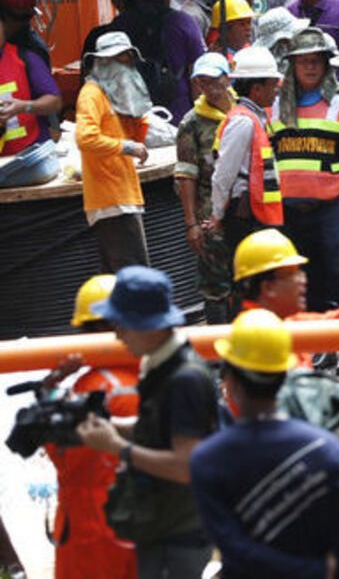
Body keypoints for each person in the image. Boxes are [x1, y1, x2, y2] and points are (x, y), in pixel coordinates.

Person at [190, 309, 339, 577]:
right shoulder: (326, 450)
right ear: (284, 375)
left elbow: (234, 550)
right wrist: (317, 571)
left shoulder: (207, 460)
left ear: (229, 382)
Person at [76, 266, 220, 579]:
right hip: (164, 525)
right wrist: (110, 426)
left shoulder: (184, 379)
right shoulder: (162, 366)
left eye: (122, 325)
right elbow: (159, 429)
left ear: (150, 327)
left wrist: (117, 446)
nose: (117, 335)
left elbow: (185, 466)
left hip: (181, 534)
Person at [42, 275, 139, 579]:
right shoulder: (158, 377)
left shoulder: (92, 388)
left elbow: (64, 456)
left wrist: (50, 391)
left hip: (91, 527)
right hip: (147, 521)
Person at [270, 27, 339, 314]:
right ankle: (316, 338)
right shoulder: (275, 105)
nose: (310, 67)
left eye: (316, 60)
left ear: (327, 64)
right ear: (293, 64)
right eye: (303, 61)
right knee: (303, 282)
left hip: (334, 206)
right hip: (289, 209)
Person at [76, 32, 152, 270]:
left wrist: (137, 115)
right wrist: (127, 147)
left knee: (119, 276)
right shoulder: (92, 93)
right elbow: (86, 138)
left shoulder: (113, 95)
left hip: (124, 194)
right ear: (104, 62)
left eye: (128, 59)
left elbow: (135, 138)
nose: (125, 66)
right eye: (120, 59)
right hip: (111, 200)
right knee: (135, 275)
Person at [174, 53, 237, 322]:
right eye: (203, 82)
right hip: (210, 216)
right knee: (216, 286)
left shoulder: (244, 111)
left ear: (227, 79)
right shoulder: (192, 123)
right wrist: (192, 224)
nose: (210, 87)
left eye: (214, 80)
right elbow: (186, 174)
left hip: (245, 209)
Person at [208, 45, 284, 255]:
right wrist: (217, 213)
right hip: (245, 215)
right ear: (256, 89)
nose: (276, 90)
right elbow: (224, 173)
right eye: (272, 85)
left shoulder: (256, 117)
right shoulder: (243, 121)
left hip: (255, 213)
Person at [112, 0, 207, 125]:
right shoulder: (184, 22)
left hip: (132, 120)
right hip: (177, 119)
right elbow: (198, 78)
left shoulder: (119, 25)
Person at [0, 0, 62, 182]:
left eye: (27, 18)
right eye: (18, 18)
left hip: (29, 157)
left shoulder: (28, 55)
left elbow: (54, 100)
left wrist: (24, 107)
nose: (23, 25)